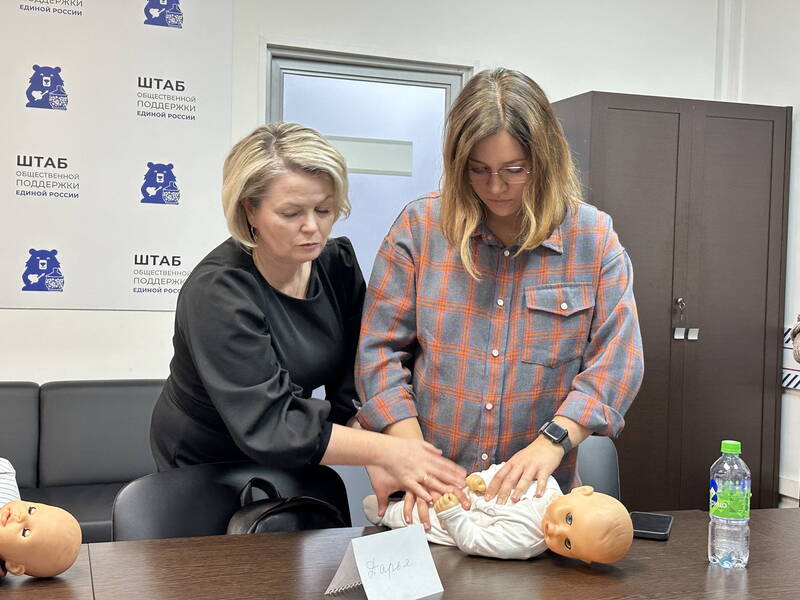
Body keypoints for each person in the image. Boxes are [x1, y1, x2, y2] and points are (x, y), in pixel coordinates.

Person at [356, 68, 644, 526]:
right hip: (429, 497)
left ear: (545, 160)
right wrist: (407, 448)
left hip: (533, 506)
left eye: (514, 170)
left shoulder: (593, 239)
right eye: (479, 170)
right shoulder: (420, 228)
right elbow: (379, 352)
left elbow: (618, 362)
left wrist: (553, 440)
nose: (495, 188)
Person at [150, 123, 466, 502]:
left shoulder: (336, 265)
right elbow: (271, 423)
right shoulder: (219, 292)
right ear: (250, 208)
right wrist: (391, 452)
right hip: (206, 460)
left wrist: (378, 456)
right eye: (290, 213)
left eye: (324, 209)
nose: (312, 228)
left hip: (285, 449)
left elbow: (353, 377)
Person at [363, 463, 633, 562]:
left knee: (413, 518)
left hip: (450, 522)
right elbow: (504, 470)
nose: (556, 530)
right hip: (462, 490)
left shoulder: (526, 543)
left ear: (578, 559)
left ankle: (384, 516)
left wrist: (452, 515)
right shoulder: (544, 480)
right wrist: (481, 478)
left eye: (568, 543)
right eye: (569, 519)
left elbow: (473, 542)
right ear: (581, 491)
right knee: (421, 485)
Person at [1, 458, 82, 578]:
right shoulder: (4, 479)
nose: (21, 516)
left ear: (14, 566)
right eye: (31, 510)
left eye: (25, 532)